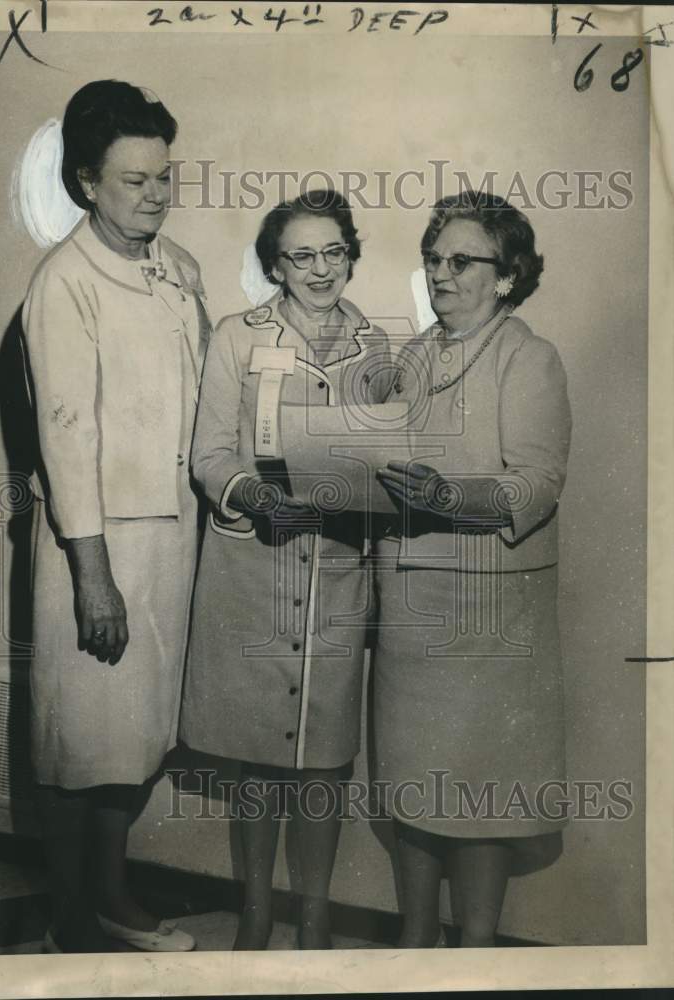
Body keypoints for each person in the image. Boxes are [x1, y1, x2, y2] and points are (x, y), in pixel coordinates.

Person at [21, 80, 209, 953]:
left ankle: (105, 897)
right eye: (134, 181)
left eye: (163, 177)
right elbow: (66, 438)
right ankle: (75, 914)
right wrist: (92, 580)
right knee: (84, 743)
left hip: (170, 539)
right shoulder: (63, 283)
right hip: (94, 547)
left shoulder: (180, 271)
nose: (156, 195)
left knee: (133, 740)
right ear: (87, 183)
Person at [179, 190, 393, 950]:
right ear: (275, 263)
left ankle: (312, 919)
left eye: (332, 251)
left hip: (335, 572)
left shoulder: (378, 347)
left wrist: (370, 495)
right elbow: (208, 455)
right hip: (252, 568)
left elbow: (385, 459)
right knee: (258, 760)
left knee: (322, 761)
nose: (319, 268)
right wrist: (254, 498)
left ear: (349, 256)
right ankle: (255, 914)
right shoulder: (238, 338)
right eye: (301, 255)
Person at [374, 190, 572, 948]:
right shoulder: (412, 358)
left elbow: (538, 483)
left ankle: (477, 951)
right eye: (432, 259)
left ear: (508, 275)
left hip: (489, 618)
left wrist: (451, 496)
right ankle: (417, 942)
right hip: (411, 603)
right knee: (415, 783)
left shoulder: (529, 358)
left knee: (479, 791)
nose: (440, 274)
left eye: (460, 261)